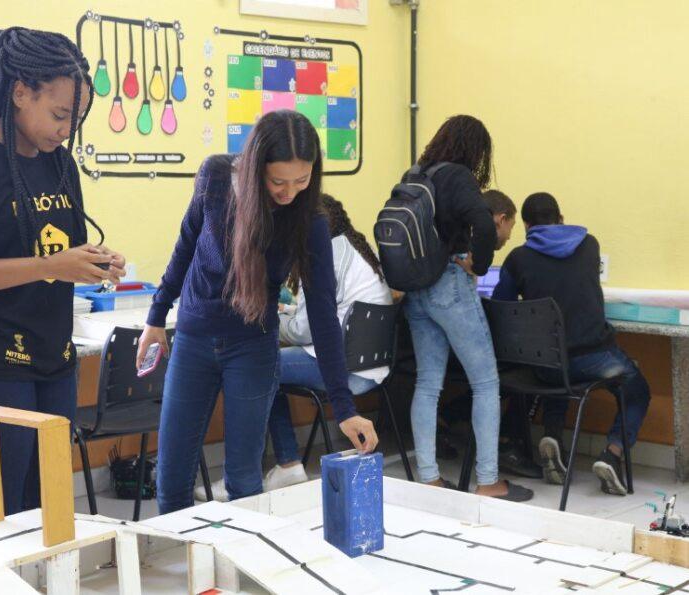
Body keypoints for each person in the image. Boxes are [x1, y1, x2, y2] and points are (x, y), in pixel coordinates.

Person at [0, 27, 126, 519]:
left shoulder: (60, 164)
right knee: (2, 506)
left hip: (54, 354)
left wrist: (94, 261)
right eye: (59, 115)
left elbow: (57, 248)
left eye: (75, 119)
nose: (66, 130)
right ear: (20, 93)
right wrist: (51, 266)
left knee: (50, 502)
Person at [139, 110, 379, 514]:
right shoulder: (215, 178)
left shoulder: (311, 219)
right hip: (194, 338)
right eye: (278, 181)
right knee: (172, 478)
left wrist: (345, 407)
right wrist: (156, 317)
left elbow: (323, 313)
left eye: (302, 181)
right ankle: (187, 569)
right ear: (254, 169)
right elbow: (185, 246)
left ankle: (237, 568)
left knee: (244, 480)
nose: (289, 192)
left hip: (253, 345)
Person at [196, 194, 395, 502]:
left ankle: (252, 472)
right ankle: (286, 463)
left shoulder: (323, 251)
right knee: (264, 369)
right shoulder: (352, 249)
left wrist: (274, 317)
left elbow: (305, 329)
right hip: (371, 367)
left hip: (343, 368)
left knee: (253, 367)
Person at [403, 115, 532, 501]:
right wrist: (480, 263)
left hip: (415, 288)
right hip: (449, 284)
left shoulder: (413, 174)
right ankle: (489, 481)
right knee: (486, 383)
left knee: (427, 384)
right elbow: (482, 220)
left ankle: (428, 476)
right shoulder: (458, 176)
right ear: (475, 149)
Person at [493, 192, 650, 495]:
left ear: (526, 225)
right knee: (636, 387)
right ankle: (612, 455)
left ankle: (553, 439)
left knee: (558, 363)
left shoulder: (517, 259)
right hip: (595, 359)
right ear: (561, 218)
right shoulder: (589, 245)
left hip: (547, 365)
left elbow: (502, 307)